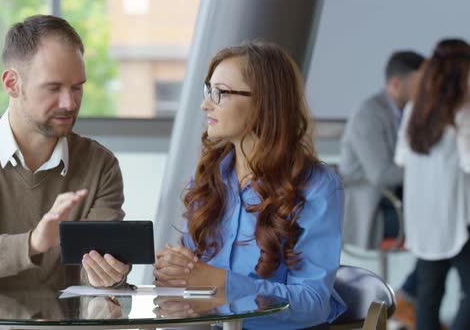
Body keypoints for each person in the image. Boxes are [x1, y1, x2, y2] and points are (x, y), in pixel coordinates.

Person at [0, 15, 130, 290]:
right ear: (11, 83)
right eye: (53, 88)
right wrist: (31, 243)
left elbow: (88, 272)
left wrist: (106, 274)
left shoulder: (101, 165)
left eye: (77, 87)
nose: (69, 102)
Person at [153, 41, 345, 330]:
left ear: (264, 102)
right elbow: (195, 284)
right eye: (208, 90)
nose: (206, 104)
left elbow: (313, 303)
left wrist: (222, 286)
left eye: (221, 93)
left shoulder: (316, 185)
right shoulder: (210, 175)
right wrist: (177, 274)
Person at [339, 50, 424, 328]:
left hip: (395, 202)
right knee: (439, 231)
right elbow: (382, 174)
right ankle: (407, 300)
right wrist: (426, 170)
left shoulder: (407, 113)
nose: (425, 89)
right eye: (419, 82)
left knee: (447, 228)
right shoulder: (369, 113)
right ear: (397, 83)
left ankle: (412, 303)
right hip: (373, 209)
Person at [395, 38, 470, 330]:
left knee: (428, 294)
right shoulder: (462, 113)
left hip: (425, 220)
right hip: (457, 219)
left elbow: (401, 158)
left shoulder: (416, 110)